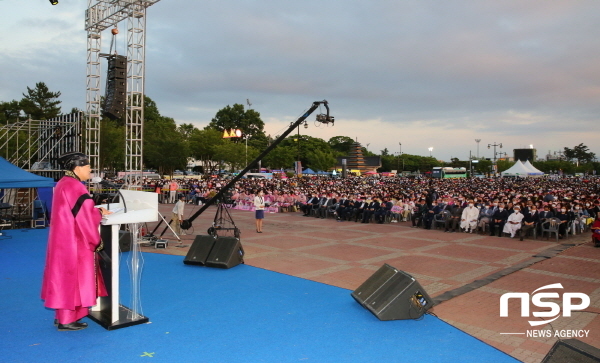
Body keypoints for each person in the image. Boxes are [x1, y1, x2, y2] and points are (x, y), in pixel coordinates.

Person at [41, 152, 111, 331]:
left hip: (62, 240)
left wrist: (95, 210)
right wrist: (96, 239)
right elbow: (85, 217)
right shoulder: (76, 187)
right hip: (75, 243)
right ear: (78, 167)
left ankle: (63, 316)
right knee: (73, 280)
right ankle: (66, 320)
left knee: (63, 279)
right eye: (88, 167)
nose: (90, 170)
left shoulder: (64, 183)